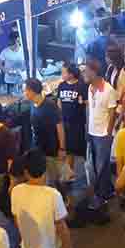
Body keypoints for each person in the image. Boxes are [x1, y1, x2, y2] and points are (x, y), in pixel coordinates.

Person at [83, 58, 118, 213]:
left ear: (94, 72)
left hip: (103, 134)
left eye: (86, 71)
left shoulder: (109, 90)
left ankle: (101, 195)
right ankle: (107, 190)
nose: (84, 73)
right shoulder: (90, 87)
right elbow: (90, 109)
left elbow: (112, 114)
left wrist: (108, 133)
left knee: (101, 166)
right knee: (96, 166)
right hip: (91, 131)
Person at [55, 64, 88, 192]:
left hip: (78, 124)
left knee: (77, 150)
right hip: (64, 124)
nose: (62, 75)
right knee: (68, 151)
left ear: (71, 74)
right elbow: (59, 103)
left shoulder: (81, 86)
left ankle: (88, 174)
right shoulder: (61, 85)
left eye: (63, 72)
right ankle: (69, 176)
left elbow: (86, 103)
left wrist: (82, 102)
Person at [25, 78, 65, 163]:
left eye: (25, 90)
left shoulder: (50, 105)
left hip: (50, 150)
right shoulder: (32, 103)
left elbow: (60, 127)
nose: (24, 93)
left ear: (32, 91)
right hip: (37, 147)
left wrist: (62, 148)